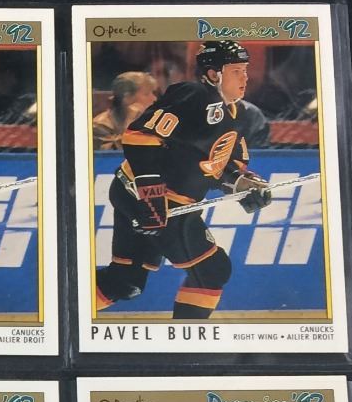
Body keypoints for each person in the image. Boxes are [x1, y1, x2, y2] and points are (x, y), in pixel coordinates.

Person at [95, 40, 273, 321]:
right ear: (213, 74)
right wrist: (151, 195)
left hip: (157, 201)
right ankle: (185, 339)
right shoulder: (193, 95)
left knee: (125, 282)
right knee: (212, 270)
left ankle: (67, 308)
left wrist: (243, 185)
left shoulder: (239, 114)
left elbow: (220, 167)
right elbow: (140, 137)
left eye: (245, 70)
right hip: (150, 198)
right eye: (237, 71)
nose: (245, 77)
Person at [91, 70, 158, 149]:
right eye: (146, 94)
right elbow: (112, 152)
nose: (154, 98)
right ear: (127, 98)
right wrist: (131, 120)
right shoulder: (100, 125)